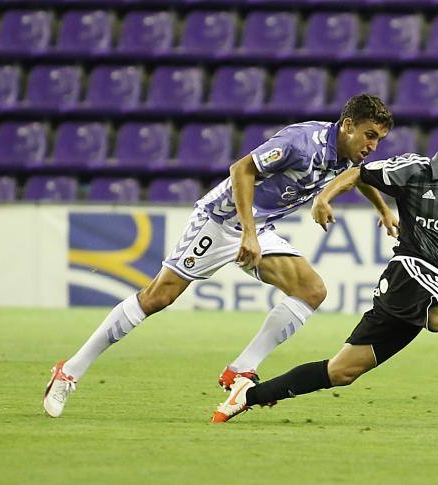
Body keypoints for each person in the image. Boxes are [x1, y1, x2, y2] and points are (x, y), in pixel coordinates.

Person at [43, 94, 400, 417]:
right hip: (220, 221)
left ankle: (240, 370)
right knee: (157, 297)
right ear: (348, 125)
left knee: (311, 290)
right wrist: (247, 232)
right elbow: (241, 169)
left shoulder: (344, 152)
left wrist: (382, 210)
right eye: (369, 135)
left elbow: (358, 176)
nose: (372, 145)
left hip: (257, 228)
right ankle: (69, 371)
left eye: (379, 140)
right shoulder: (301, 142)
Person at [211, 119, 438, 427]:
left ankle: (246, 397)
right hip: (411, 269)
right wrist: (325, 198)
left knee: (341, 372)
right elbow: (358, 173)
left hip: (409, 286)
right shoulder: (414, 170)